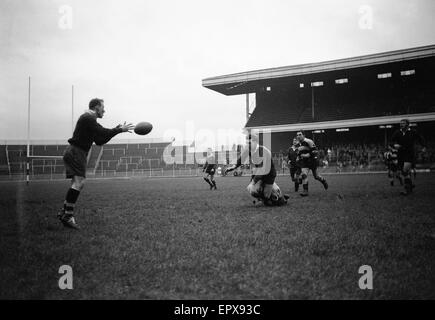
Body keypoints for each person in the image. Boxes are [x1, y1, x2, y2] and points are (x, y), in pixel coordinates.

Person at [58, 98, 134, 229]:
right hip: (76, 152)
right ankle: (68, 216)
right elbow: (103, 132)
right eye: (102, 107)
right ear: (96, 107)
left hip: (76, 152)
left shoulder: (89, 120)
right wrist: (119, 130)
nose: (104, 110)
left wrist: (116, 130)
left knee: (76, 183)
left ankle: (65, 213)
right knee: (79, 183)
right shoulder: (88, 118)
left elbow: (100, 140)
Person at [225, 132, 289, 206]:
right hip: (258, 172)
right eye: (246, 143)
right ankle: (264, 198)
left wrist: (253, 182)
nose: (247, 144)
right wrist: (234, 167)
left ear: (255, 142)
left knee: (268, 197)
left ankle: (281, 198)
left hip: (268, 174)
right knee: (253, 191)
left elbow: (262, 170)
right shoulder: (248, 150)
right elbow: (241, 159)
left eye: (249, 142)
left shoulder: (263, 151)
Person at [391, 119, 426, 195]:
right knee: (403, 172)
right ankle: (410, 185)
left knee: (405, 169)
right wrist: (394, 145)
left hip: (409, 154)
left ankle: (407, 190)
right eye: (400, 123)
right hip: (400, 154)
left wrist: (423, 146)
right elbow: (391, 141)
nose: (401, 124)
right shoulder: (397, 132)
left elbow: (420, 138)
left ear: (407, 124)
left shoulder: (412, 132)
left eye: (403, 123)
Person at [295, 130, 328, 196]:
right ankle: (305, 191)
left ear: (304, 135)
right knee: (304, 175)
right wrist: (298, 157)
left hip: (312, 161)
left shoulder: (309, 141)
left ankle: (323, 181)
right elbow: (299, 152)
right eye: (297, 135)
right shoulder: (297, 144)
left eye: (300, 134)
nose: (298, 136)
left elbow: (315, 151)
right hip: (305, 162)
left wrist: (307, 155)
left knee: (316, 176)